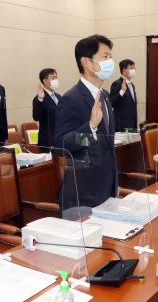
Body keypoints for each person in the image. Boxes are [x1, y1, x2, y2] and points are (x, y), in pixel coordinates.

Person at [54, 34, 117, 209]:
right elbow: (61, 145)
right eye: (105, 57)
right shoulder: (71, 98)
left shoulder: (104, 95)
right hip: (82, 193)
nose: (110, 61)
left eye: (110, 56)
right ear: (86, 62)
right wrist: (90, 127)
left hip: (107, 188)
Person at [32, 68, 61, 152]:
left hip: (59, 138)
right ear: (45, 81)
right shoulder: (39, 98)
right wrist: (40, 100)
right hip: (47, 141)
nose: (56, 80)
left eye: (56, 77)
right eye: (53, 78)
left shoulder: (59, 96)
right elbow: (36, 117)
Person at [110, 59, 137, 132]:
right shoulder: (117, 84)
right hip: (121, 126)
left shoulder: (132, 85)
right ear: (124, 71)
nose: (134, 70)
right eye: (131, 68)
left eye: (134, 68)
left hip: (131, 125)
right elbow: (111, 102)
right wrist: (122, 91)